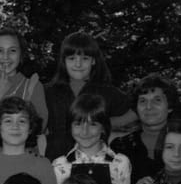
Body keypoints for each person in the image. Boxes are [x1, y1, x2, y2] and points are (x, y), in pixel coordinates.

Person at [44, 31, 136, 161]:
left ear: (93, 60)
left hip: (97, 161)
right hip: (55, 160)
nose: (78, 64)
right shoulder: (48, 92)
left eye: (85, 58)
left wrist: (106, 123)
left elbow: (136, 111)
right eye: (72, 58)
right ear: (63, 61)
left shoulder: (106, 92)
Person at [110, 74, 181, 184]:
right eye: (143, 101)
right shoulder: (121, 146)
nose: (149, 106)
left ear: (170, 106)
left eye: (157, 100)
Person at [52, 93, 131, 184]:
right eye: (78, 124)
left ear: (103, 128)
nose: (85, 131)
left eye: (93, 124)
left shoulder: (119, 163)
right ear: (70, 127)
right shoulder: (60, 165)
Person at [0, 26, 48, 159]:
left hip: (25, 160)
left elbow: (41, 125)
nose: (5, 56)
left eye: (12, 50)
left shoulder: (32, 86)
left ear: (21, 54)